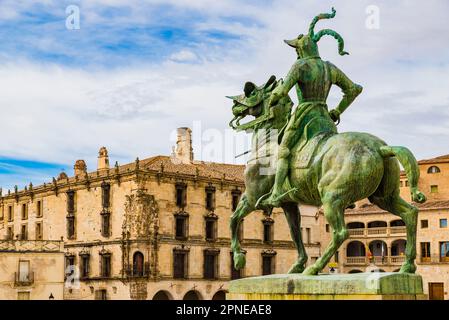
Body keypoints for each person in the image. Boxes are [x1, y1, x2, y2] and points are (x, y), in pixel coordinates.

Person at [257, 8, 363, 208]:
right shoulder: (330, 68)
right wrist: (338, 111)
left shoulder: (300, 66)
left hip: (304, 115)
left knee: (284, 150)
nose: (296, 52)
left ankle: (277, 191)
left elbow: (281, 92)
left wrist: (273, 98)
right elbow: (354, 90)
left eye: (296, 49)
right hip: (325, 118)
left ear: (300, 49)